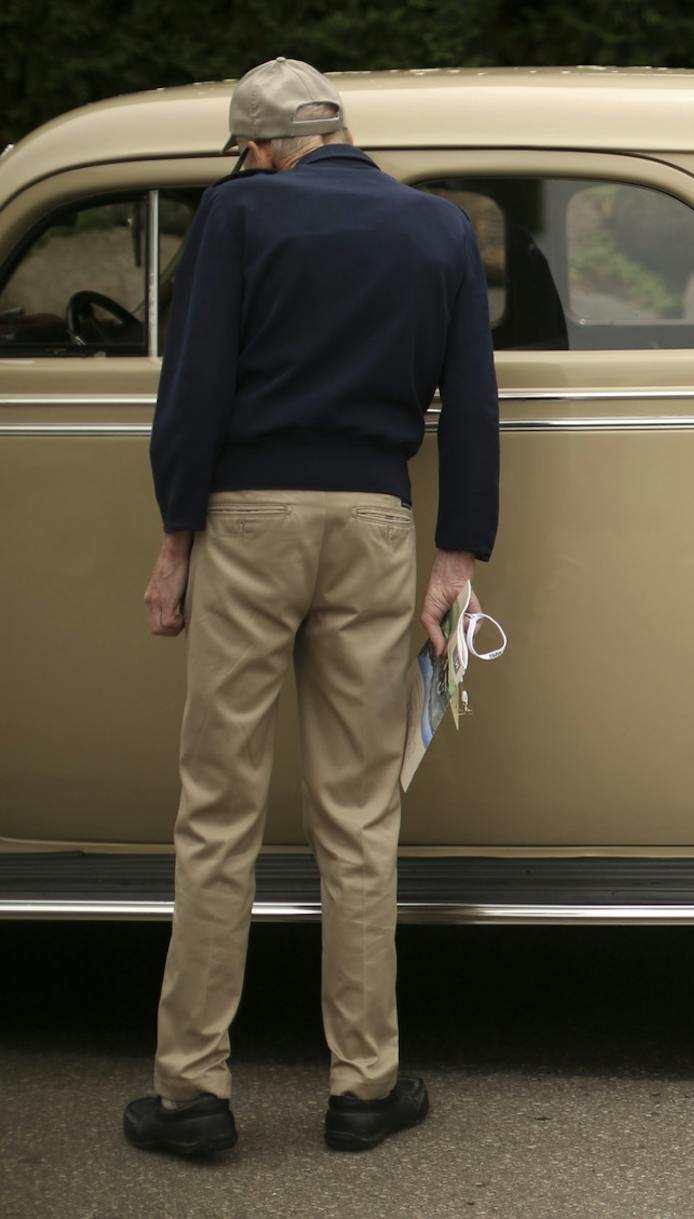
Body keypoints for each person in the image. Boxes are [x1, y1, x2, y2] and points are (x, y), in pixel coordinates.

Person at [125, 58, 498, 1155]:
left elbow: (191, 386)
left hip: (247, 523)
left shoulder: (237, 216)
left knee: (219, 810)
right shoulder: (436, 228)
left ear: (262, 145)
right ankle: (365, 1084)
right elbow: (472, 400)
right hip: (377, 526)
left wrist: (173, 540)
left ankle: (192, 1093)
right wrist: (456, 556)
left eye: (243, 153)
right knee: (360, 814)